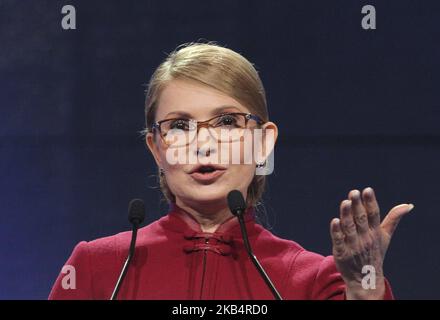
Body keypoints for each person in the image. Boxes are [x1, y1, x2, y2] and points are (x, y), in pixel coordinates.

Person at [49, 42, 414, 300]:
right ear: (156, 149)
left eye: (226, 121)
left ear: (263, 143)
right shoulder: (98, 268)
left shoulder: (316, 281)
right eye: (178, 125)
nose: (203, 143)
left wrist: (366, 292)